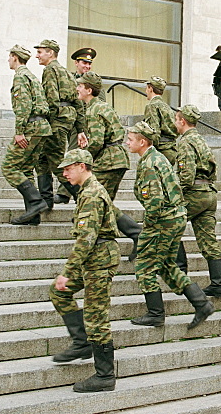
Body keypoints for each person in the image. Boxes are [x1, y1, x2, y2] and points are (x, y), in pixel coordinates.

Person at [125, 120, 213, 330]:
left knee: (144, 266)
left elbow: (154, 200)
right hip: (174, 217)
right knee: (167, 265)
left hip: (162, 221)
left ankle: (155, 313)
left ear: (142, 141)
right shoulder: (157, 157)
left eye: (130, 139)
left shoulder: (149, 163)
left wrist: (148, 228)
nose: (127, 143)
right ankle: (201, 303)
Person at [48, 149, 120, 392]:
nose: (64, 173)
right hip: (92, 257)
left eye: (68, 168)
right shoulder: (87, 191)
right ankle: (81, 343)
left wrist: (67, 272)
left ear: (82, 166)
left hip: (99, 258)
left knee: (96, 317)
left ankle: (105, 375)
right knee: (58, 292)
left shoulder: (91, 194)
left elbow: (86, 239)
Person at [76, 74, 141, 260]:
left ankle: (136, 233)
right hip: (115, 159)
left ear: (89, 90)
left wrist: (84, 159)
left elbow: (96, 141)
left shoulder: (93, 110)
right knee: (104, 204)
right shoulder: (102, 107)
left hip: (107, 162)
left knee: (99, 202)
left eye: (80, 86)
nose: (77, 89)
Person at [174, 104, 221, 297]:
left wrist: (173, 193)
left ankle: (180, 277)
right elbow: (213, 167)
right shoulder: (201, 140)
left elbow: (186, 176)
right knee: (208, 241)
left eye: (176, 119)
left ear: (182, 121)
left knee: (171, 226)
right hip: (208, 193)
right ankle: (218, 283)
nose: (175, 123)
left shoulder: (186, 142)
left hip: (194, 192)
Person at [2, 44, 52, 225]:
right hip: (41, 127)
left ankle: (37, 203)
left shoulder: (21, 77)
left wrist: (19, 132)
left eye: (9, 56)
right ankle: (33, 214)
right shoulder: (31, 76)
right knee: (25, 169)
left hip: (31, 127)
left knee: (9, 167)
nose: (8, 60)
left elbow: (23, 106)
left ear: (15, 57)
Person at [34, 39, 80, 210]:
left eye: (40, 52)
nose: (37, 55)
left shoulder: (50, 70)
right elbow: (78, 103)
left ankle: (83, 197)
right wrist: (80, 128)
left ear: (50, 53)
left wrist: (45, 123)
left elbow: (51, 100)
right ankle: (46, 202)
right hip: (65, 121)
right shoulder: (67, 72)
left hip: (55, 122)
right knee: (42, 160)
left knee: (56, 162)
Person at [54, 47, 98, 205]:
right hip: (68, 122)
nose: (87, 66)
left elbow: (98, 104)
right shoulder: (70, 79)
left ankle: (65, 193)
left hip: (85, 125)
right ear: (76, 63)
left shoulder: (93, 81)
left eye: (89, 63)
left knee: (73, 155)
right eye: (84, 63)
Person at [143, 76, 178, 164]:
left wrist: (149, 152)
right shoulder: (166, 106)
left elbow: (153, 132)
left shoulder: (152, 105)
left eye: (147, 88)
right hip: (171, 150)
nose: (146, 91)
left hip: (160, 152)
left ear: (150, 88)